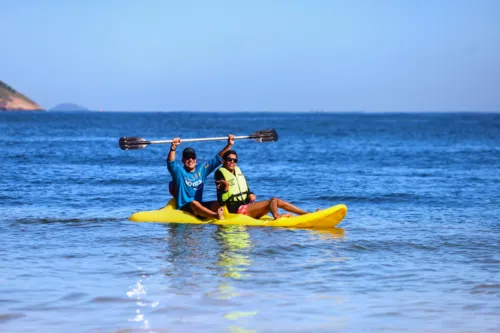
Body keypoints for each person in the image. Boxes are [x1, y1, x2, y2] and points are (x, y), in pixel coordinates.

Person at [214, 150, 315, 219]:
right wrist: (226, 188)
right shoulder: (220, 173)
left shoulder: (238, 170)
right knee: (273, 201)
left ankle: (306, 214)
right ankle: (277, 217)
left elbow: (245, 188)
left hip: (245, 205)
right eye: (229, 159)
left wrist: (250, 193)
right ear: (223, 161)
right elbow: (221, 201)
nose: (232, 162)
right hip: (235, 210)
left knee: (277, 201)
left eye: (234, 160)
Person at [167, 134, 235, 220]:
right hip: (184, 208)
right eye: (187, 157)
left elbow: (217, 159)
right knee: (194, 203)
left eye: (192, 157)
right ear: (183, 160)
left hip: (199, 205)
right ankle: (215, 216)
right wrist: (173, 148)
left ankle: (230, 215)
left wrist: (229, 145)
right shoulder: (179, 172)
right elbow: (170, 163)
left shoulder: (201, 169)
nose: (190, 159)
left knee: (218, 204)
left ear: (196, 159)